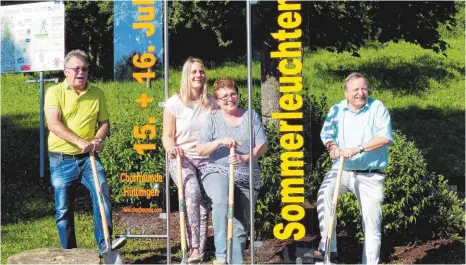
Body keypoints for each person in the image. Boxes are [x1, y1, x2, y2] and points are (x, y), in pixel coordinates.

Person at [45, 49, 124, 254]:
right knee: (63, 210)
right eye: (76, 68)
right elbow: (53, 124)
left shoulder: (97, 93)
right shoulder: (54, 92)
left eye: (85, 69)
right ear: (66, 71)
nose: (81, 72)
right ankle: (70, 253)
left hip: (89, 158)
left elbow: (104, 123)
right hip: (61, 159)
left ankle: (105, 245)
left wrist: (97, 138)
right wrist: (80, 141)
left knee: (102, 195)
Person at [316, 72, 393, 264]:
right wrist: (332, 147)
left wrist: (357, 149)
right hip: (342, 170)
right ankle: (329, 251)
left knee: (371, 223)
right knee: (324, 194)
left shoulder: (377, 107)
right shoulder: (337, 109)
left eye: (364, 88)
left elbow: (384, 137)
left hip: (370, 175)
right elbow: (327, 133)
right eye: (356, 89)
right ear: (346, 93)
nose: (361, 93)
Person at [197, 77, 268, 265]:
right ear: (217, 101)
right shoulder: (212, 119)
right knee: (221, 199)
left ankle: (235, 262)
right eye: (224, 97)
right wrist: (219, 141)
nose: (230, 99)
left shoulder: (250, 116)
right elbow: (200, 149)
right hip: (217, 170)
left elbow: (262, 145)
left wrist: (245, 158)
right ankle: (220, 254)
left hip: (247, 175)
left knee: (240, 227)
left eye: (233, 94)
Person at [162, 57, 218, 263]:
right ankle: (193, 247)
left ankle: (198, 253)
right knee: (192, 191)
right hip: (182, 157)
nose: (198, 75)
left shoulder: (211, 102)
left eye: (201, 71)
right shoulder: (174, 103)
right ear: (187, 75)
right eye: (194, 72)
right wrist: (171, 148)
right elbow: (167, 135)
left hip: (206, 157)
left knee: (204, 204)